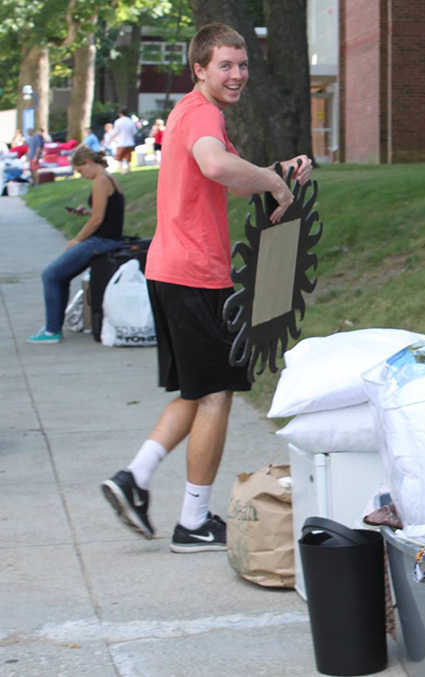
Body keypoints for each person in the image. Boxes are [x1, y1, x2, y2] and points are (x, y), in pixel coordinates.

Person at [100, 22, 312, 553]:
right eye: (226, 65)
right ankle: (193, 521)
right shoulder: (204, 113)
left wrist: (275, 172)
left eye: (243, 65)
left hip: (172, 271)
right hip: (195, 275)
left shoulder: (190, 115)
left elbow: (227, 176)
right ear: (200, 69)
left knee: (195, 392)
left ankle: (134, 478)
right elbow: (218, 164)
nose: (237, 74)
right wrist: (275, 182)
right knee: (216, 394)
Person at [27, 147, 125, 344]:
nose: (81, 175)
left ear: (87, 163)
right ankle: (53, 326)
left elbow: (97, 220)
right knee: (59, 276)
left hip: (101, 241)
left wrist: (77, 240)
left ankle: (52, 331)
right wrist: (86, 212)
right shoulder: (110, 178)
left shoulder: (100, 181)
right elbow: (106, 213)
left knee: (51, 275)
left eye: (80, 170)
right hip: (110, 238)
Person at [113, 107, 137, 174]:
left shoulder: (118, 121)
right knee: (128, 157)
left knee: (119, 157)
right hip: (130, 142)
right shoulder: (130, 121)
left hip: (121, 142)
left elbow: (115, 132)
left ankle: (122, 170)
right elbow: (134, 132)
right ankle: (128, 169)